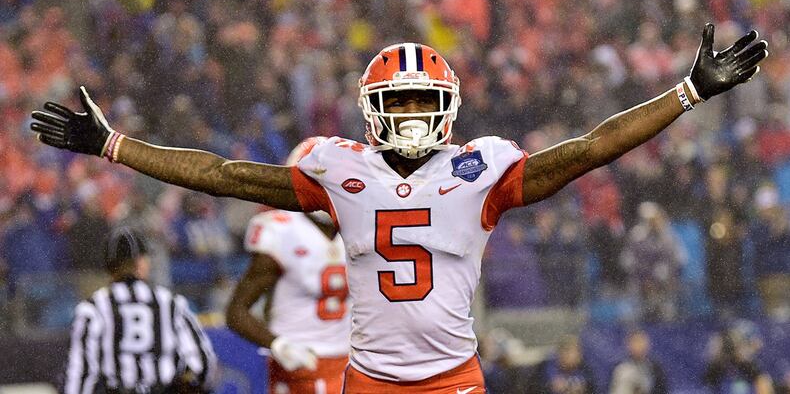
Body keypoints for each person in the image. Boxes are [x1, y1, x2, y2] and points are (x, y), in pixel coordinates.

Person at [33, 25, 767, 392]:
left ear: (447, 106)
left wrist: (688, 93)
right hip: (369, 381)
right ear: (372, 108)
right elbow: (221, 174)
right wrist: (113, 145)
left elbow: (592, 147)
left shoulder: (482, 169)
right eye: (400, 101)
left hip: (453, 380)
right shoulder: (338, 168)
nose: (412, 114)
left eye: (423, 101)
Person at [225, 137, 350, 394]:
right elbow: (236, 312)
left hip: (352, 365)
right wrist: (279, 345)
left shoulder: (358, 226)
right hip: (299, 371)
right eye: (318, 182)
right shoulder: (282, 230)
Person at [63, 227, 217, 394]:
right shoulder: (171, 304)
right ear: (140, 263)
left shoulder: (93, 308)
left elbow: (80, 374)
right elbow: (203, 364)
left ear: (109, 267)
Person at [526, 335, 597, 394]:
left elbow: (592, 388)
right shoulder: (544, 368)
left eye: (578, 352)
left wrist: (582, 389)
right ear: (561, 354)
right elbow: (532, 388)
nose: (577, 357)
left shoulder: (585, 369)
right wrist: (549, 387)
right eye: (570, 353)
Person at [609, 329, 668, 394]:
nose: (638, 346)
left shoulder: (655, 368)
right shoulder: (620, 367)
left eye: (641, 342)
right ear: (628, 345)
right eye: (635, 342)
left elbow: (662, 390)